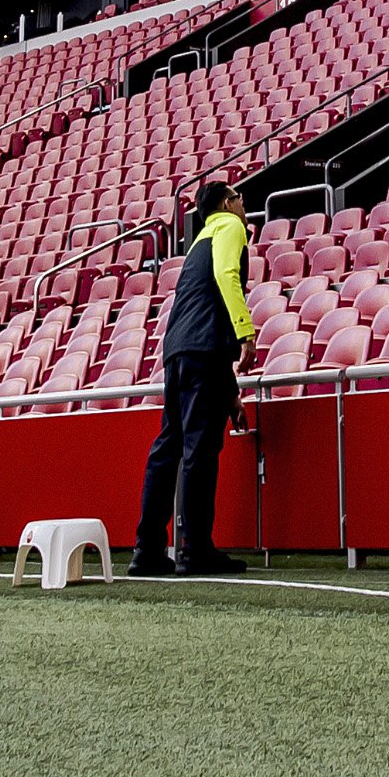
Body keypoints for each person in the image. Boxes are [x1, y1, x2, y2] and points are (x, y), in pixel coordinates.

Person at [130, 176, 253, 577]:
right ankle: (194, 549)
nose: (242, 202)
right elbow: (226, 277)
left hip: (178, 349)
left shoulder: (197, 242)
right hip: (207, 349)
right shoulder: (231, 227)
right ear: (224, 204)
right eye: (238, 196)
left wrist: (230, 392)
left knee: (168, 445)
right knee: (199, 449)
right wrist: (245, 332)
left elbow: (199, 301)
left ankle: (147, 550)